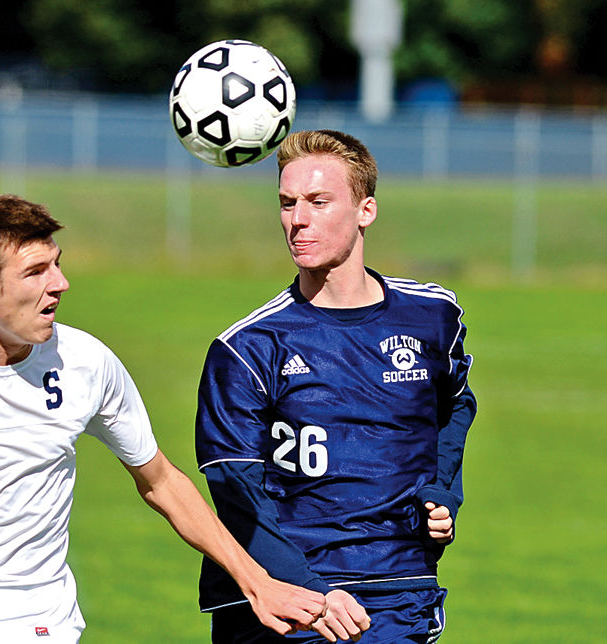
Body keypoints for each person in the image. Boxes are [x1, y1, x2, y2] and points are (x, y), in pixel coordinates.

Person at [0, 193, 325, 643]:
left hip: (42, 621)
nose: (60, 284)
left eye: (57, 265)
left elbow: (161, 481)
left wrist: (257, 582)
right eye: (35, 272)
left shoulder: (86, 363)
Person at [194, 130, 476, 643]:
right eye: (287, 203)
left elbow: (455, 405)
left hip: (397, 585)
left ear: (365, 210)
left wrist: (441, 493)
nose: (297, 219)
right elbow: (236, 490)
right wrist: (309, 591)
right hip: (281, 597)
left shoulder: (432, 316)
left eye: (318, 202)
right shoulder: (247, 348)